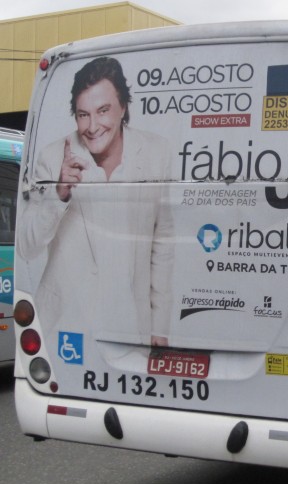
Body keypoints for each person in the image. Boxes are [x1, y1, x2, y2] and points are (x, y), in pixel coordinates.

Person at [18, 56, 174, 347]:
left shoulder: (156, 152)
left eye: (103, 110)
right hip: (64, 328)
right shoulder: (52, 158)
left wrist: (160, 328)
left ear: (123, 107)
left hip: (131, 327)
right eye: (82, 114)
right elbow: (27, 247)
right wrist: (59, 193)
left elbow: (162, 244)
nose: (92, 126)